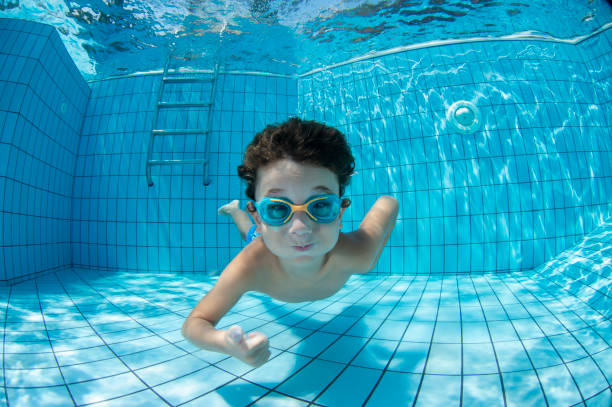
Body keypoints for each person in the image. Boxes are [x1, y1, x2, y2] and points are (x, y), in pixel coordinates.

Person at [181, 117, 399, 367]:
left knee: (251, 234)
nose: (300, 229)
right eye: (277, 209)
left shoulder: (359, 255)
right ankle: (234, 211)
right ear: (260, 216)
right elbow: (194, 323)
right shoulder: (248, 268)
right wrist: (224, 343)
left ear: (339, 213)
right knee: (249, 235)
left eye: (320, 205)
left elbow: (388, 203)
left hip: (269, 237)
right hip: (261, 240)